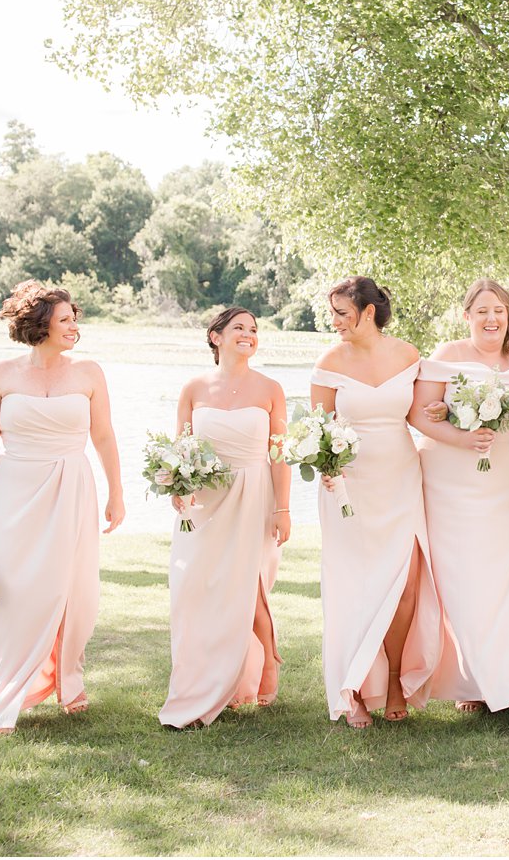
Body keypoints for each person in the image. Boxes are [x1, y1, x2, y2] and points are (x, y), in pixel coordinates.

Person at [0, 281, 123, 734]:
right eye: (65, 319)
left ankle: (69, 681)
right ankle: (7, 693)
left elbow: (103, 436)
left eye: (74, 318)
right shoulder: (1, 376)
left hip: (72, 487)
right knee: (12, 593)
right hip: (13, 493)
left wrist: (116, 493)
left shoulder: (89, 373)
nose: (74, 327)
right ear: (40, 324)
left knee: (72, 589)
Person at [312, 277, 442, 728]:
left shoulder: (408, 355)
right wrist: (326, 467)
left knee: (405, 584)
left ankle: (391, 684)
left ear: (368, 313)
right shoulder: (329, 361)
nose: (335, 323)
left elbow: (419, 415)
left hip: (401, 477)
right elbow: (318, 430)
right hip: (349, 486)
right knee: (356, 585)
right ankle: (354, 689)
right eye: (333, 314)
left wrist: (451, 420)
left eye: (342, 314)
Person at [159, 307, 290, 730]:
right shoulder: (193, 388)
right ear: (215, 337)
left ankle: (266, 660)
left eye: (254, 330)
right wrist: (180, 486)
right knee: (193, 585)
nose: (249, 335)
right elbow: (181, 447)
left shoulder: (271, 389)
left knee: (246, 585)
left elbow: (278, 453)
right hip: (206, 498)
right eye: (239, 328)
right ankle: (200, 678)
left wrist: (282, 508)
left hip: (254, 493)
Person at [410, 279, 509, 715]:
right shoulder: (447, 355)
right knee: (462, 585)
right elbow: (419, 414)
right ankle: (473, 682)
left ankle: (503, 680)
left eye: (498, 310)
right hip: (453, 488)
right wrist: (461, 437)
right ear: (467, 316)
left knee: (504, 583)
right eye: (481, 311)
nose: (491, 318)